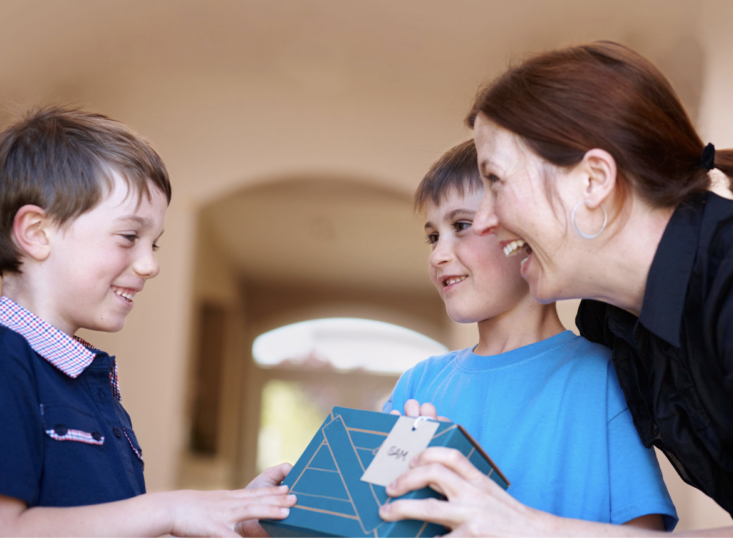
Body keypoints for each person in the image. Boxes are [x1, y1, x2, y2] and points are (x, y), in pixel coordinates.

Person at [379, 41, 733, 536]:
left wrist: (525, 526)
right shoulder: (616, 327)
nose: (487, 220)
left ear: (593, 181)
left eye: (495, 181)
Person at [0, 106, 296, 536]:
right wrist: (169, 509)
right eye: (129, 237)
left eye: (153, 243)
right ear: (37, 232)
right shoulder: (8, 360)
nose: (149, 265)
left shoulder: (85, 381)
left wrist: (232, 509)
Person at [382, 139, 676, 530]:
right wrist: (275, 519)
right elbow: (371, 520)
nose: (438, 255)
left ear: (524, 231)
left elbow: (644, 534)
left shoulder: (606, 377)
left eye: (462, 226)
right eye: (434, 236)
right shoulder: (419, 383)